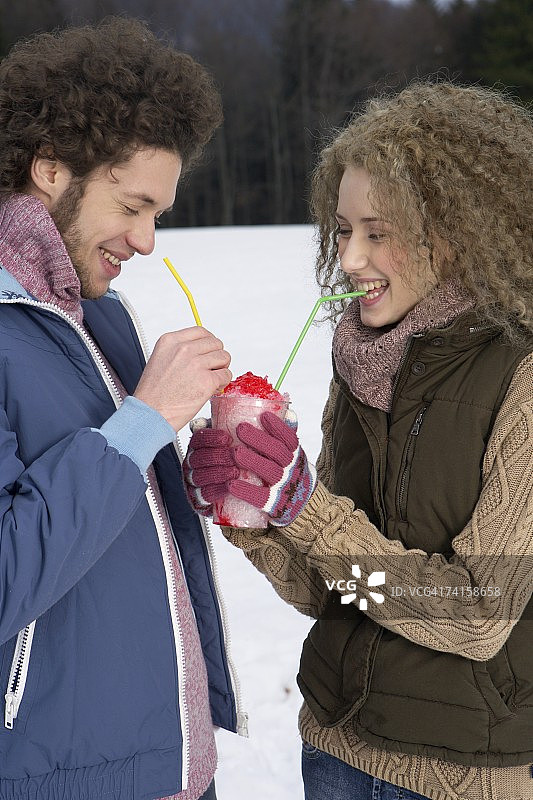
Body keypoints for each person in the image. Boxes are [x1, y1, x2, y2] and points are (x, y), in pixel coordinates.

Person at [184, 81, 533, 800]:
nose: (348, 258)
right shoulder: (366, 365)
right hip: (335, 749)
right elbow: (337, 589)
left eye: (379, 232)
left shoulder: (520, 378)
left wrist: (306, 509)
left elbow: (475, 614)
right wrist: (255, 515)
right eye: (342, 230)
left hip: (460, 775)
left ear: (458, 229)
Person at [0, 16, 246, 800]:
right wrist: (141, 421)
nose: (146, 242)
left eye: (159, 215)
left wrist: (206, 465)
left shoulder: (97, 312)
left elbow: (119, 508)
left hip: (161, 762)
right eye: (133, 205)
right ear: (50, 169)